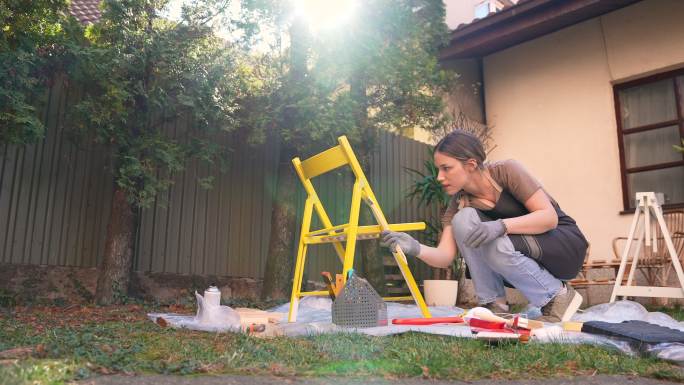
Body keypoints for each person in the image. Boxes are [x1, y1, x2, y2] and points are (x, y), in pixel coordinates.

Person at [381, 129, 588, 322]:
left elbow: (548, 218)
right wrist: (416, 248)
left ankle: (558, 297)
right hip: (523, 253)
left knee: (496, 243)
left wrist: (500, 226)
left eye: (447, 168)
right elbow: (445, 256)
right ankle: (494, 305)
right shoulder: (458, 203)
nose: (439, 177)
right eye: (438, 169)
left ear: (471, 165)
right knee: (463, 219)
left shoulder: (506, 171)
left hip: (563, 244)